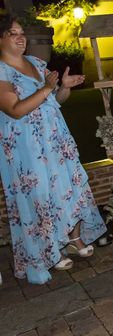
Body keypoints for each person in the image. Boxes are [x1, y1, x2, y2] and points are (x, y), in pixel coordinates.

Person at [0, 16, 106, 284]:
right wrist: (47, 88)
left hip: (55, 139)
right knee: (42, 194)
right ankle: (49, 250)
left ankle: (73, 238)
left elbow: (54, 101)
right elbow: (15, 110)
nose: (20, 37)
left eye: (21, 33)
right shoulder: (1, 71)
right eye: (13, 33)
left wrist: (63, 89)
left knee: (71, 186)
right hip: (26, 147)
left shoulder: (36, 64)